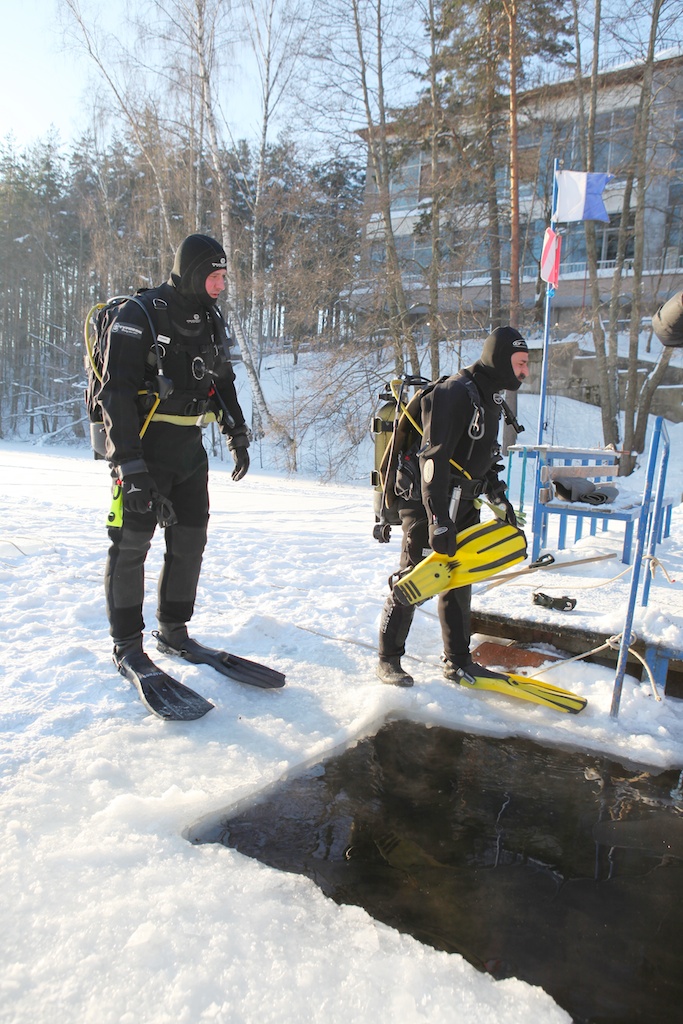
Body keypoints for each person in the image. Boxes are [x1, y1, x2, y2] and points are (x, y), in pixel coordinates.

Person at [98, 233, 250, 686]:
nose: (222, 285)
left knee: (190, 542)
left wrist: (236, 431)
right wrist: (128, 464)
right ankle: (127, 644)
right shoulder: (138, 315)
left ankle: (174, 630)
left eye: (224, 276)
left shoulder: (209, 318)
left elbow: (222, 380)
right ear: (197, 272)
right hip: (143, 451)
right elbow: (116, 394)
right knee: (131, 546)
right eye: (216, 276)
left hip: (189, 451)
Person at [377, 326, 529, 687]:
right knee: (414, 579)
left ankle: (458, 661)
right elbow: (434, 459)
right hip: (426, 499)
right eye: (520, 363)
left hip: (463, 501)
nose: (524, 371)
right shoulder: (454, 394)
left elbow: (483, 460)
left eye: (526, 365)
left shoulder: (490, 398)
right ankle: (388, 659)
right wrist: (438, 520)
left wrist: (499, 500)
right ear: (499, 358)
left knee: (459, 581)